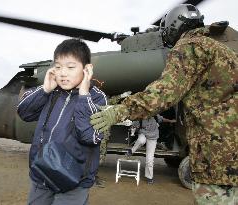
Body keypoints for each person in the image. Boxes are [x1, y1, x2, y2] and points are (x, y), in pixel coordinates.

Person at [91, 4, 238, 204]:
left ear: (173, 28)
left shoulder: (190, 46)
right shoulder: (222, 51)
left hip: (216, 156)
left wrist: (118, 111)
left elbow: (163, 94)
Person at [17, 38, 107, 205]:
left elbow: (90, 136)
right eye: (58, 67)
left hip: (74, 181)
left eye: (71, 67)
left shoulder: (96, 98)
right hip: (42, 173)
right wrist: (44, 90)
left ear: (87, 69)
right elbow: (24, 113)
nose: (63, 73)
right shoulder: (50, 91)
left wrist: (83, 95)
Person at [126, 115, 176, 184]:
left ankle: (149, 177)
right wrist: (132, 128)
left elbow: (163, 119)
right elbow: (133, 125)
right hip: (143, 134)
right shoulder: (140, 118)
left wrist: (171, 121)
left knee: (150, 159)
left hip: (153, 138)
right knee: (141, 140)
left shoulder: (155, 117)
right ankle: (131, 151)